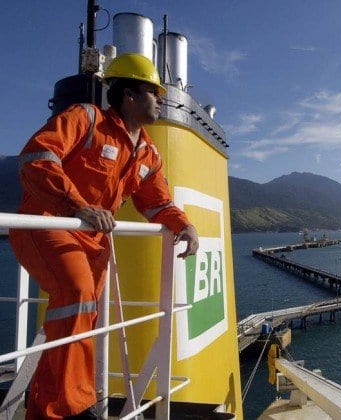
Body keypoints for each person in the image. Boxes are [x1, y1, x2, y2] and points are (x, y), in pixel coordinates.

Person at [9, 53, 199, 419]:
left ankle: (55, 404)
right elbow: (36, 157)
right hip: (47, 224)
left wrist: (184, 224)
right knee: (77, 298)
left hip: (91, 240)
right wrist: (77, 206)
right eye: (153, 92)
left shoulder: (147, 153)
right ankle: (63, 406)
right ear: (129, 95)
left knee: (81, 316)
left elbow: (157, 203)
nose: (161, 99)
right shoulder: (86, 119)